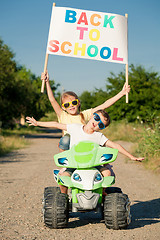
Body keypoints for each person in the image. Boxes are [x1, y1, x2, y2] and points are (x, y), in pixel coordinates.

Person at [26, 110, 144, 194]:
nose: (97, 123)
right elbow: (57, 124)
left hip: (94, 164)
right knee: (63, 178)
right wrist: (38, 123)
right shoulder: (75, 127)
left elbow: (115, 145)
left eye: (101, 124)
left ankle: (102, 195)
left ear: (102, 128)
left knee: (107, 173)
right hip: (75, 164)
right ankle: (63, 198)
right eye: (97, 118)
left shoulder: (99, 136)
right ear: (92, 115)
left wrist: (131, 156)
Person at [41, 71, 130, 151]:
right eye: (67, 104)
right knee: (66, 139)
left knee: (99, 140)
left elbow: (104, 105)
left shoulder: (84, 114)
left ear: (78, 103)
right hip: (69, 147)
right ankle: (64, 163)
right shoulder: (62, 115)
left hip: (82, 143)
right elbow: (52, 99)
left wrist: (121, 93)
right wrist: (47, 82)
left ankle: (103, 164)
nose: (71, 105)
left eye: (74, 102)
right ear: (63, 107)